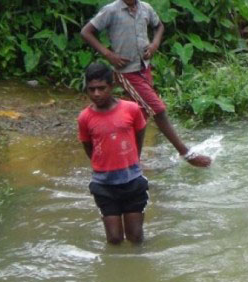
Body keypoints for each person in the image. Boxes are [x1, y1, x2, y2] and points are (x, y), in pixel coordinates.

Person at [80, 0, 211, 168]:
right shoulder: (111, 10)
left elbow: (159, 26)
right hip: (126, 71)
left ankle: (132, 162)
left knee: (140, 116)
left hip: (143, 68)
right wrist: (108, 54)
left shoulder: (145, 8)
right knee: (158, 109)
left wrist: (155, 44)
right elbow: (86, 32)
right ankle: (185, 152)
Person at [78, 62, 150, 244]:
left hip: (132, 181)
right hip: (104, 185)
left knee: (135, 236)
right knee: (115, 238)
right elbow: (89, 146)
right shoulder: (85, 118)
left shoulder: (131, 109)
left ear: (112, 86)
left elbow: (139, 133)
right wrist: (103, 163)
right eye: (91, 89)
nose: (96, 94)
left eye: (101, 88)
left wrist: (132, 158)